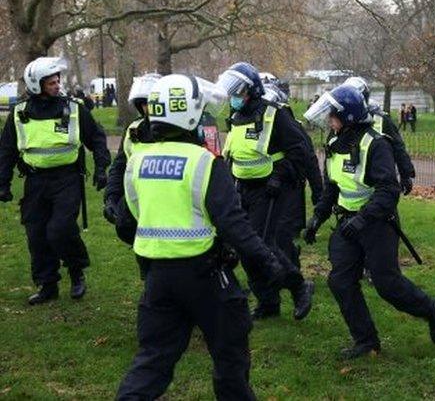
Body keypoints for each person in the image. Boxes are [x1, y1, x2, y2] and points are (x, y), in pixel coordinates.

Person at [113, 73, 287, 400]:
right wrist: (267, 261)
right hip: (206, 276)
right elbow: (233, 223)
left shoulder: (137, 161)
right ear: (189, 113)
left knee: (152, 362)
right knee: (230, 358)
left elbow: (131, 216)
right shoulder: (204, 162)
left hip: (158, 278)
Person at [303, 86, 435, 359]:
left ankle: (431, 309)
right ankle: (366, 340)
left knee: (386, 283)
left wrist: (363, 219)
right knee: (340, 281)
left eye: (332, 115)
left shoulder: (376, 144)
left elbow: (388, 191)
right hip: (348, 223)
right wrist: (317, 218)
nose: (329, 120)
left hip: (377, 223)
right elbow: (332, 187)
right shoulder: (334, 143)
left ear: (348, 116)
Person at [0, 57, 111, 304]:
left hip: (67, 179)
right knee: (36, 234)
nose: (57, 84)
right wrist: (3, 182)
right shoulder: (20, 113)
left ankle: (76, 271)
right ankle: (47, 284)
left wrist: (102, 167)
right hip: (35, 182)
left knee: (60, 229)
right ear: (36, 84)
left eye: (57, 80)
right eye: (51, 82)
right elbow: (6, 149)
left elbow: (96, 137)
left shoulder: (73, 108)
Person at [217, 62, 316, 321]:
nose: (234, 97)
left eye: (238, 92)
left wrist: (278, 176)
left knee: (262, 245)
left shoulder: (274, 114)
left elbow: (300, 150)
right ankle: (268, 302)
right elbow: (234, 154)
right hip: (244, 188)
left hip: (271, 189)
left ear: (252, 90)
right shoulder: (236, 117)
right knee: (245, 246)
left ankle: (298, 286)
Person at [262, 75, 326, 278]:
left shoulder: (287, 122)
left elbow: (308, 158)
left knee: (282, 233)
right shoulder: (257, 122)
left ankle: (293, 276)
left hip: (289, 186)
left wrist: (318, 192)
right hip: (266, 186)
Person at [341, 77, 416, 196]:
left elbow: (398, 147)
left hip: (380, 171)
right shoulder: (343, 119)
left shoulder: (382, 119)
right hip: (353, 174)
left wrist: (406, 174)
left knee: (383, 203)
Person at [104, 74, 161, 228]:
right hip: (137, 201)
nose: (147, 108)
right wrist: (111, 198)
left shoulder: (178, 132)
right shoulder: (133, 130)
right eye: (143, 104)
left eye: (150, 103)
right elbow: (120, 167)